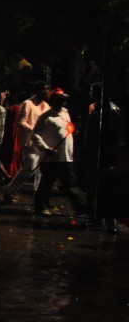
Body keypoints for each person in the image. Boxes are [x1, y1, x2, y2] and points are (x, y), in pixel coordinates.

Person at [30, 88, 86, 217]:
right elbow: (35, 135)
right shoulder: (45, 117)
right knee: (47, 183)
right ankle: (40, 206)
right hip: (52, 158)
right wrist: (45, 148)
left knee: (70, 183)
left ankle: (82, 208)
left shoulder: (66, 113)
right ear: (54, 100)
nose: (63, 103)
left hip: (66, 156)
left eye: (64, 100)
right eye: (60, 100)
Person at [82, 83, 124, 231]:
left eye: (93, 91)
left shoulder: (104, 110)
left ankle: (103, 220)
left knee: (101, 188)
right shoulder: (108, 109)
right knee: (104, 188)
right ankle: (104, 219)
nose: (90, 94)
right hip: (106, 156)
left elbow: (101, 136)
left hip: (103, 156)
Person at [2, 82, 51, 203]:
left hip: (42, 142)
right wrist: (33, 130)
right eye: (44, 89)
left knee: (40, 171)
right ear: (37, 90)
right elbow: (21, 121)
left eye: (47, 90)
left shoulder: (46, 106)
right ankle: (9, 189)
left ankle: (38, 196)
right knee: (29, 168)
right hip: (30, 141)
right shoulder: (27, 104)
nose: (46, 92)